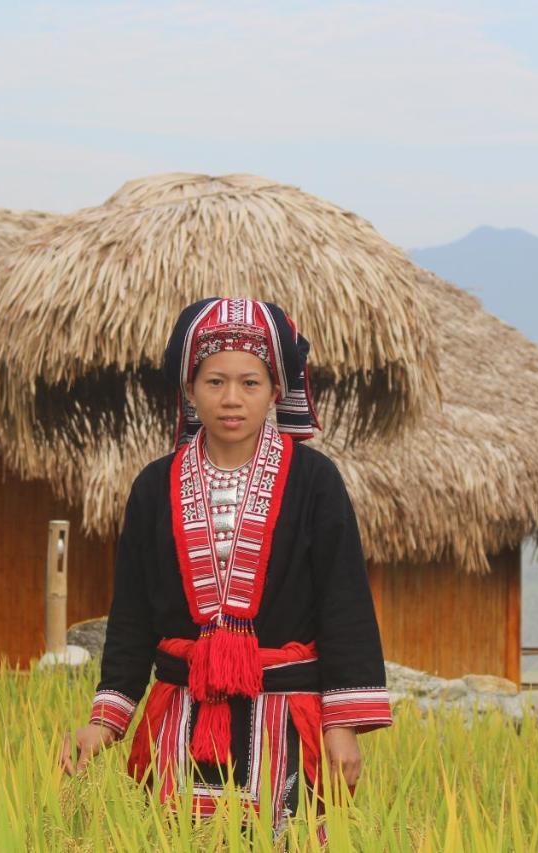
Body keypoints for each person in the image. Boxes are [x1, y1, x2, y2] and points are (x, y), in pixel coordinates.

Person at [60, 297, 392, 838]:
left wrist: (343, 726)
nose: (231, 399)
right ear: (189, 391)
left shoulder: (315, 482)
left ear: (276, 392)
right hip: (181, 719)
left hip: (286, 720)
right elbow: (132, 617)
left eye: (250, 383)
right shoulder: (153, 487)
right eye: (214, 382)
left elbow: (345, 603)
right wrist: (106, 721)